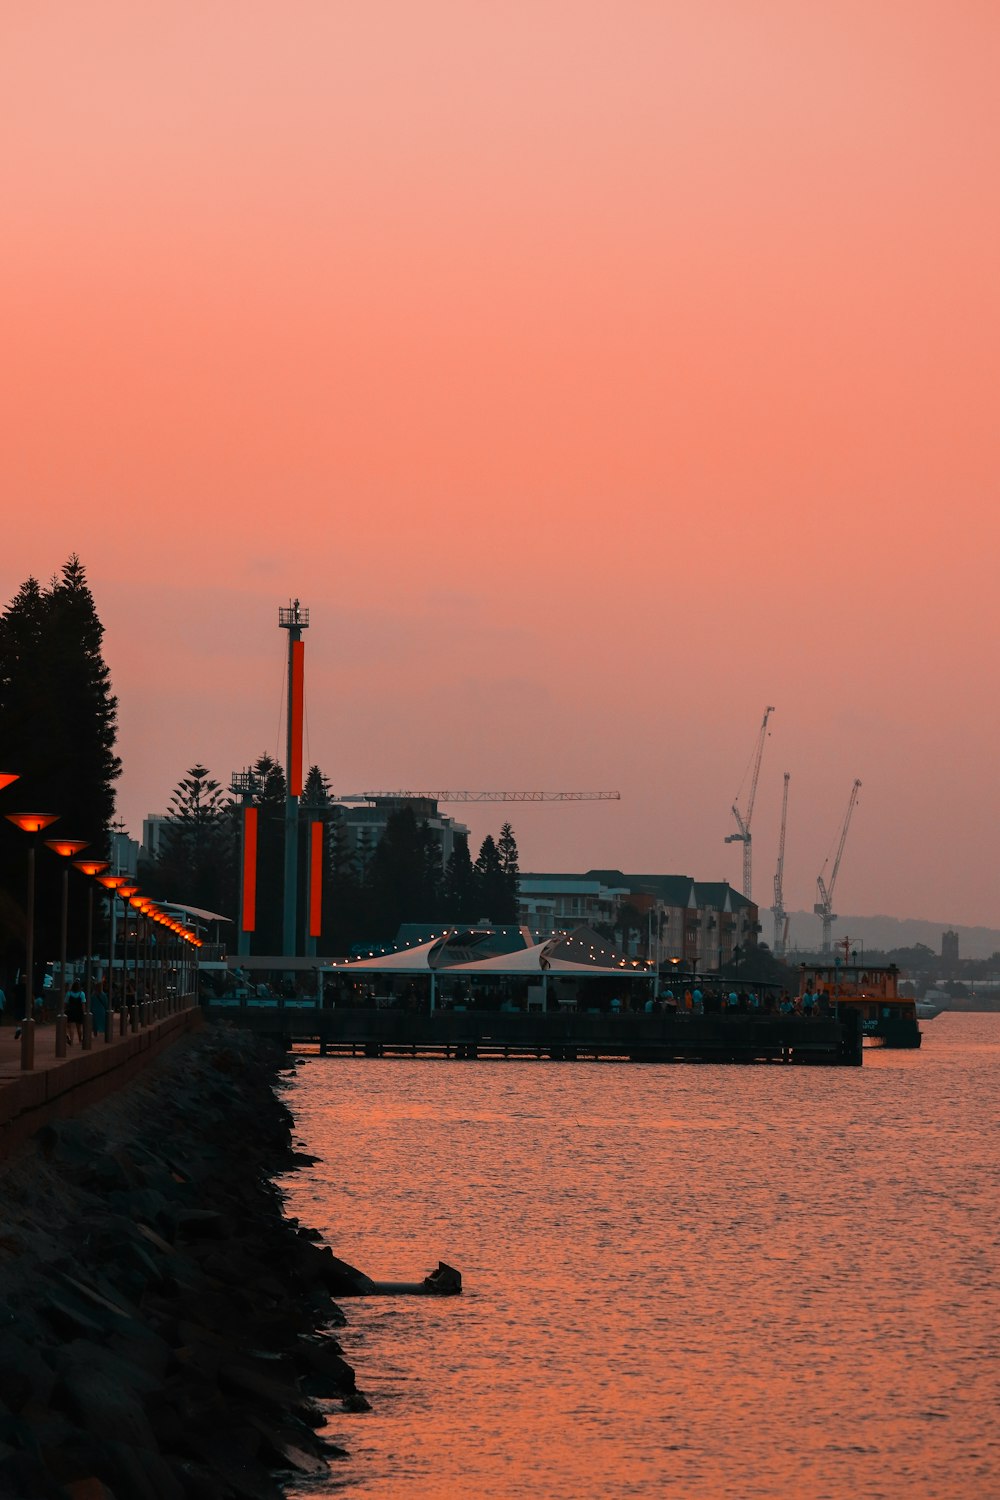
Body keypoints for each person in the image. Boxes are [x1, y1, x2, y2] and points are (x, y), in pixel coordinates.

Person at [65, 978, 86, 1044]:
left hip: (71, 1011)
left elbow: (65, 1003)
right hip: (79, 1012)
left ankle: (71, 1040)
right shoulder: (82, 994)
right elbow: (83, 1004)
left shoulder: (69, 993)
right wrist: (84, 1012)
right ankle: (80, 1040)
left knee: (71, 1027)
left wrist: (63, 1010)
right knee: (79, 1027)